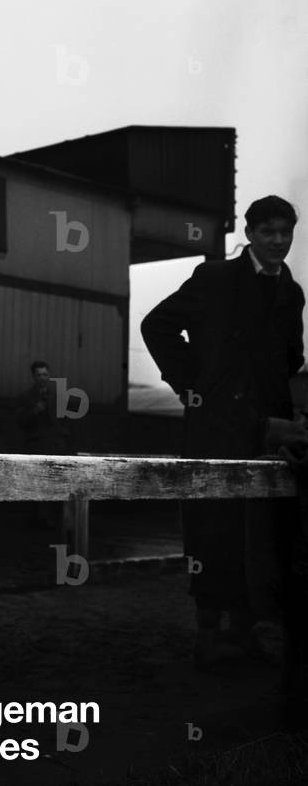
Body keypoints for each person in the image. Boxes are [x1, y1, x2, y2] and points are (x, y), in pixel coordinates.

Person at [141, 195, 307, 668]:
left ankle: (245, 631)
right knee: (214, 526)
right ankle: (208, 634)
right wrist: (195, 386)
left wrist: (272, 405)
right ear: (250, 234)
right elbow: (157, 325)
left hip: (266, 429)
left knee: (260, 531)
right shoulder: (214, 278)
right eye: (268, 231)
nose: (277, 241)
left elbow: (292, 356)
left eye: (285, 232)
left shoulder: (291, 291)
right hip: (214, 425)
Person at [16, 359, 74, 455]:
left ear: (49, 375)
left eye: (45, 374)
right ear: (34, 377)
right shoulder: (25, 397)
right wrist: (35, 410)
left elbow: (65, 422)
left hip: (56, 446)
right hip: (35, 445)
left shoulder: (58, 397)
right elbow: (20, 422)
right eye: (39, 375)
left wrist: (63, 439)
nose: (42, 378)